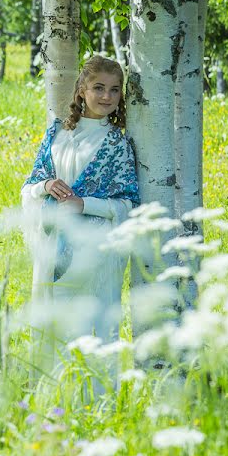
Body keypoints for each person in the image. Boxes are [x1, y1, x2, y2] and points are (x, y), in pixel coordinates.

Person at [21, 55, 139, 367]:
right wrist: (45, 186)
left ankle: (93, 404)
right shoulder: (56, 134)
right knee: (52, 327)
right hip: (52, 247)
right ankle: (51, 401)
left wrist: (83, 204)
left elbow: (128, 203)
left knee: (92, 327)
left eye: (115, 90)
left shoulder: (116, 143)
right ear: (81, 91)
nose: (107, 97)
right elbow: (28, 187)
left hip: (94, 252)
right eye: (98, 87)